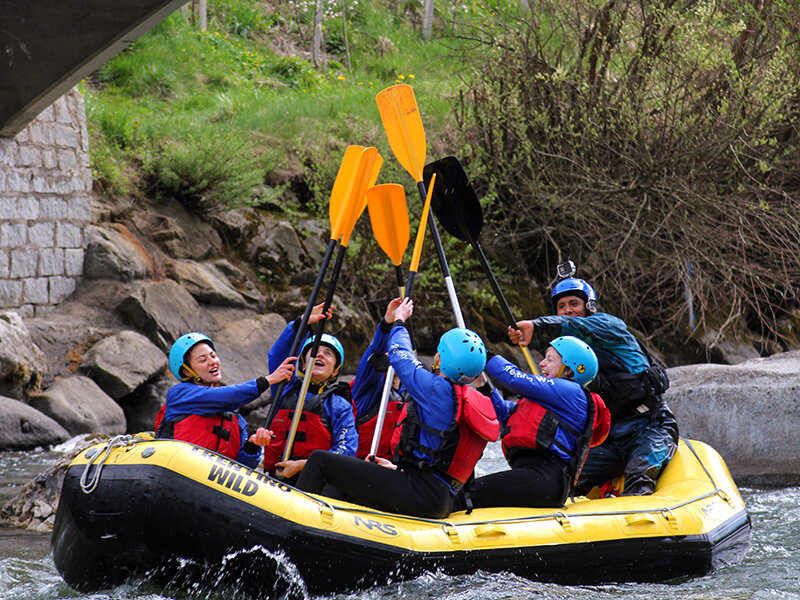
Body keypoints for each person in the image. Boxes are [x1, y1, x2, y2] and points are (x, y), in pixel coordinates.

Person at [294, 297, 499, 519]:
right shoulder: (478, 401)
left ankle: (290, 526)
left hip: (418, 492)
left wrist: (399, 321)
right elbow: (438, 458)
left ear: (441, 358)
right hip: (442, 497)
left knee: (320, 461)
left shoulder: (434, 389)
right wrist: (394, 469)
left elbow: (401, 355)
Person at [509, 274, 678, 496]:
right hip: (607, 440)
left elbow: (578, 326)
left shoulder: (610, 326)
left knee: (639, 478)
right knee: (564, 483)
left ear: (589, 307)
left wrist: (536, 326)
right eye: (561, 306)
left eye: (574, 304)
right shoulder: (564, 360)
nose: (567, 310)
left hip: (649, 427)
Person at [461, 336, 608, 509]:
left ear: (569, 369)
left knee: (465, 494)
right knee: (467, 490)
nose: (542, 364)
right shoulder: (547, 401)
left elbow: (515, 379)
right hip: (532, 476)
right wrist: (483, 384)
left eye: (550, 359)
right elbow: (502, 412)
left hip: (546, 477)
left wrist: (484, 355)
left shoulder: (572, 393)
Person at [155, 332, 296, 469]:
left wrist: (253, 445)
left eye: (213, 356)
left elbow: (245, 465)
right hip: (176, 473)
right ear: (187, 371)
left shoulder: (233, 413)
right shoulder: (179, 395)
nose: (212, 362)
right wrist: (267, 381)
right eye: (203, 360)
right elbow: (221, 396)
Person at [264, 304, 358, 483]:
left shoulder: (339, 406)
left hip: (313, 481)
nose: (320, 356)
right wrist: (301, 323)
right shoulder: (284, 389)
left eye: (328, 354)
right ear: (304, 364)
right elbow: (278, 355)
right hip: (274, 477)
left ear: (335, 371)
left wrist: (304, 465)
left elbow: (346, 450)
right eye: (315, 352)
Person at [350, 297, 409, 460]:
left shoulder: (412, 394)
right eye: (388, 351)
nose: (392, 354)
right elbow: (375, 351)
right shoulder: (366, 390)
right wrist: (388, 322)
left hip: (394, 469)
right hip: (363, 466)